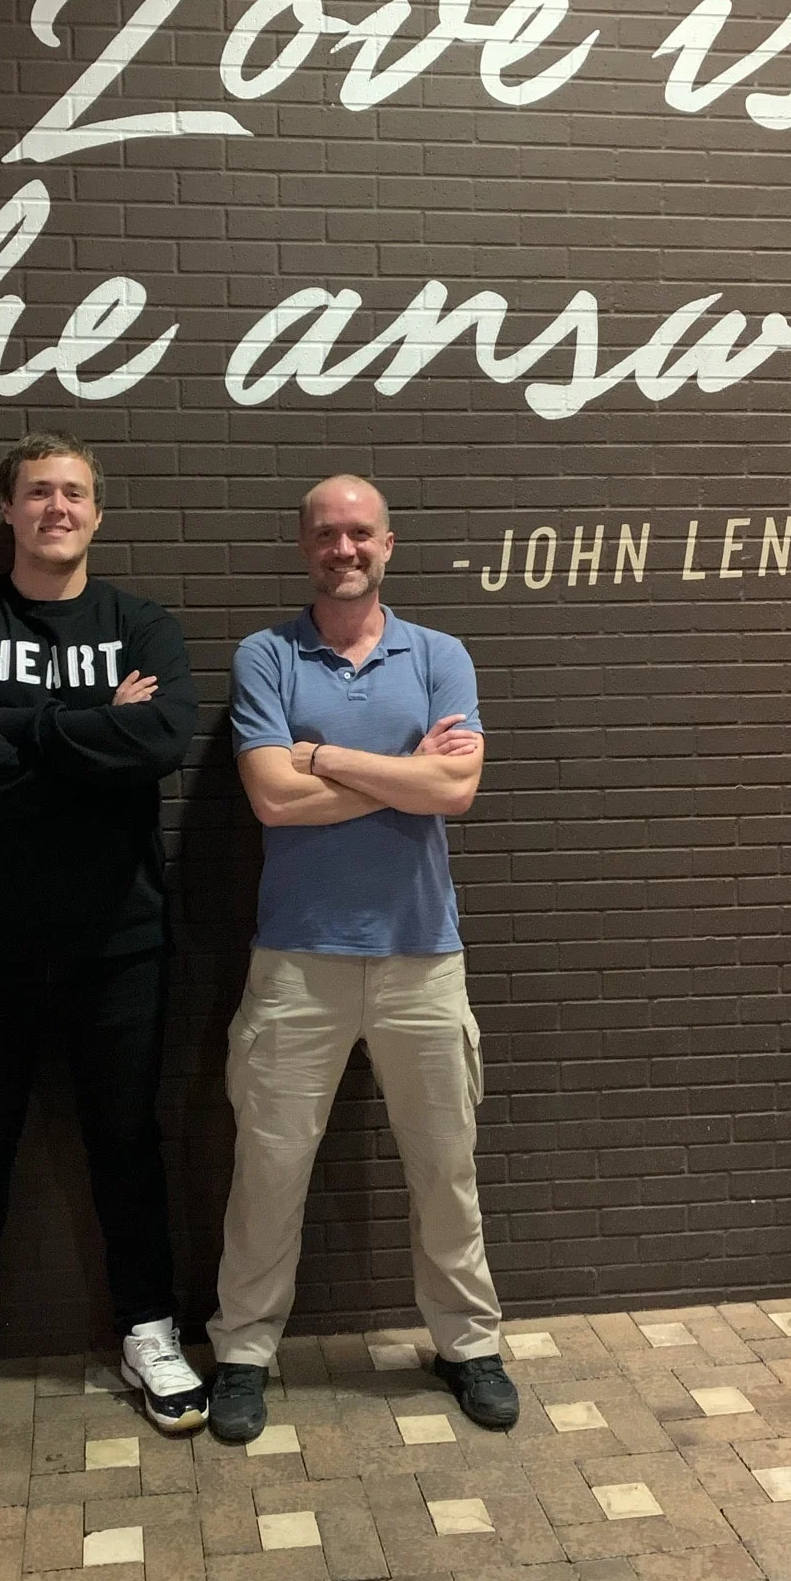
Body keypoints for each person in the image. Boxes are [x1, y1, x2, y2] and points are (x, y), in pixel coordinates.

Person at [0, 432, 207, 1450]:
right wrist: (83, 730)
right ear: (9, 510)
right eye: (38, 492)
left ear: (97, 514)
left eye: (73, 492)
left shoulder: (141, 624)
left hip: (119, 943)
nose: (56, 506)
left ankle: (149, 1330)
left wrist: (13, 725)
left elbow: (157, 742)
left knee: (127, 1144)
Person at [207, 474, 519, 1440]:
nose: (344, 549)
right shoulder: (267, 655)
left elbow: (458, 792)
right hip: (297, 961)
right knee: (268, 1166)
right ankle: (243, 1353)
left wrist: (327, 758)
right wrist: (405, 777)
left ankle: (468, 1344)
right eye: (326, 535)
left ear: (389, 544)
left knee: (445, 1165)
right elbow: (268, 798)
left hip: (424, 957)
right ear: (306, 547)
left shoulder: (440, 655)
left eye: (360, 534)